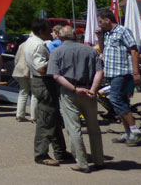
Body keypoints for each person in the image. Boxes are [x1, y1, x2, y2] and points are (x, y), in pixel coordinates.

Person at [47, 26, 104, 173]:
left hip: (70, 92)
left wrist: (74, 89)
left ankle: (82, 163)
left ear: (60, 37)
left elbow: (56, 76)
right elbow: (99, 71)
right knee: (94, 128)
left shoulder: (57, 52)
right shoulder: (90, 50)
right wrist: (93, 89)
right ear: (75, 36)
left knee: (74, 128)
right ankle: (99, 160)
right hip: (89, 91)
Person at [22, 18, 69, 166]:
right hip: (43, 82)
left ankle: (61, 151)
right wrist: (56, 58)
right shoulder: (37, 45)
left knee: (52, 117)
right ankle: (41, 155)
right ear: (41, 31)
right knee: (46, 120)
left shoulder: (31, 42)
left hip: (41, 81)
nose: (51, 32)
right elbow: (41, 68)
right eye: (49, 29)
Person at [96, 10, 141, 145]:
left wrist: (136, 73)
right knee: (122, 101)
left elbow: (134, 50)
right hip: (111, 72)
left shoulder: (123, 31)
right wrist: (100, 37)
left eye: (100, 21)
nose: (99, 24)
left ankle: (135, 131)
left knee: (116, 99)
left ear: (107, 20)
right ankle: (128, 132)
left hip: (122, 72)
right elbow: (103, 50)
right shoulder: (107, 34)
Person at [12, 35, 37, 122]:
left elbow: (17, 58)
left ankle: (20, 114)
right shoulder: (37, 44)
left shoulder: (22, 45)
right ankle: (34, 116)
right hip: (33, 70)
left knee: (23, 92)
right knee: (34, 94)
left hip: (21, 69)